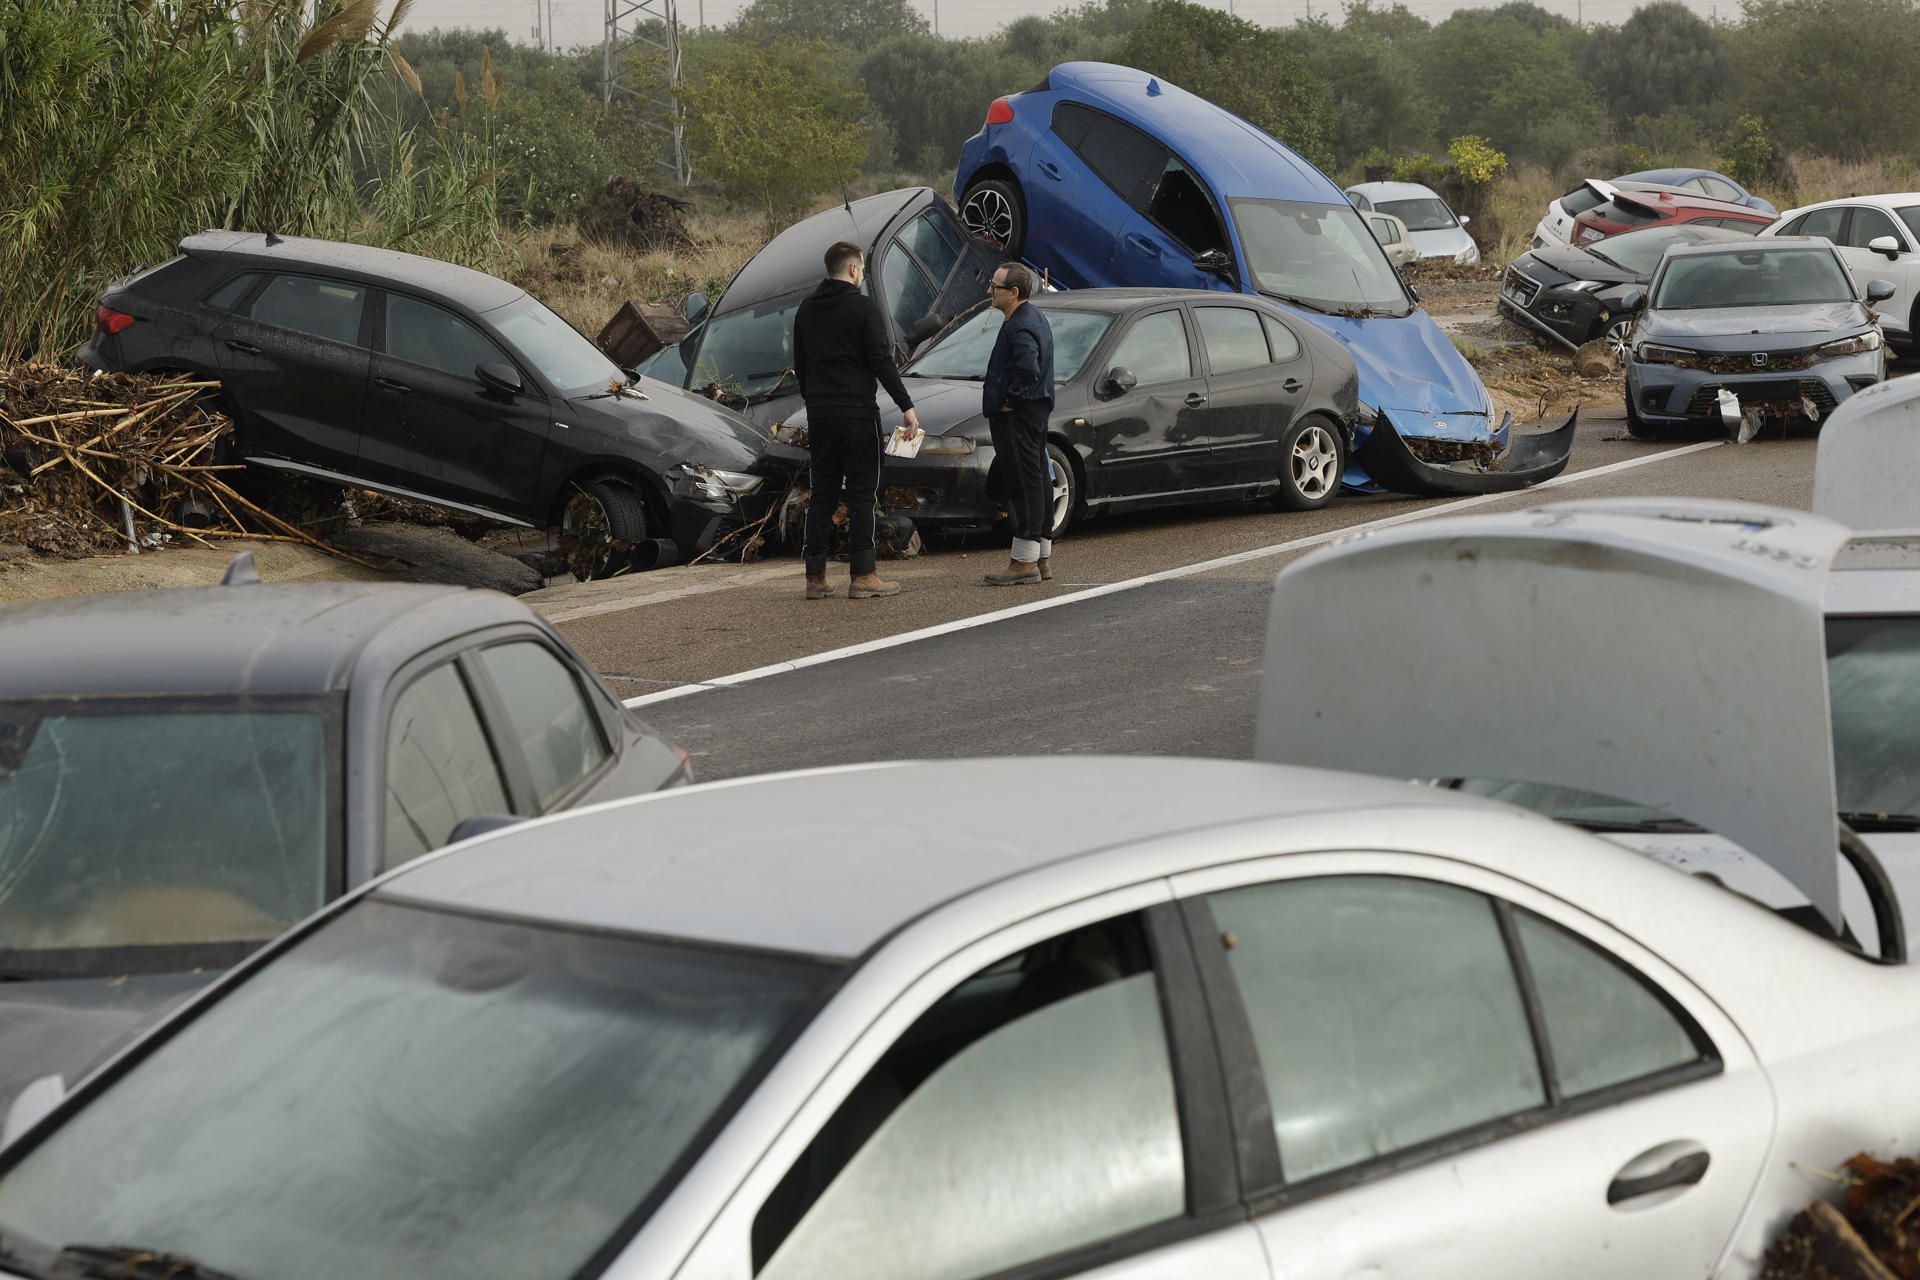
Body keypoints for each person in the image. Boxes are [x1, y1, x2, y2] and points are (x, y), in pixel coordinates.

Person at [792, 241, 921, 600]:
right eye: (862, 269)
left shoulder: (806, 310)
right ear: (852, 270)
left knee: (823, 495)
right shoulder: (864, 309)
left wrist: (816, 400)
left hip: (820, 416)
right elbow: (882, 362)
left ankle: (815, 577)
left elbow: (800, 366)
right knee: (863, 494)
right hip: (857, 414)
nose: (863, 274)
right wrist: (907, 406)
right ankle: (863, 574)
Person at [981, 263, 1055, 586]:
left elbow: (1028, 368)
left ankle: (1024, 562)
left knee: (1024, 486)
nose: (988, 290)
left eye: (994, 286)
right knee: (1038, 481)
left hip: (1019, 417)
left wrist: (1010, 401)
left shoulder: (1021, 325)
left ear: (1013, 293)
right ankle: (1041, 558)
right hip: (1033, 415)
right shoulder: (1030, 317)